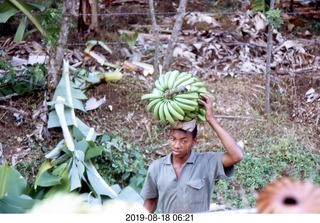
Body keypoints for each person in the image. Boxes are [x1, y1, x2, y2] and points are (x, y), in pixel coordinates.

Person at [140, 93, 244, 213]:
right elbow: (150, 203)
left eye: (183, 141)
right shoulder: (156, 167)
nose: (176, 145)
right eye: (173, 139)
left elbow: (236, 156)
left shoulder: (207, 163)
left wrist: (211, 119)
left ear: (194, 141)